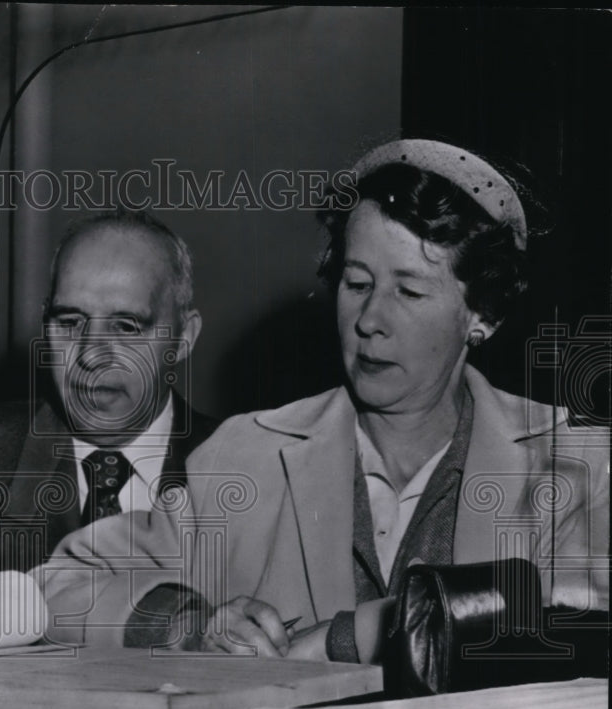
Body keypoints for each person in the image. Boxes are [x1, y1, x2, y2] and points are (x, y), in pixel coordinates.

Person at [34, 139, 610, 659]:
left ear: (482, 315)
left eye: (408, 290)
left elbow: (573, 621)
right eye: (356, 284)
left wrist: (347, 635)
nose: (370, 320)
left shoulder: (575, 461)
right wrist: (189, 624)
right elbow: (62, 584)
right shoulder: (249, 454)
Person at [0, 209, 218, 577]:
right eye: (69, 322)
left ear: (184, 337)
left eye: (126, 326)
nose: (91, 356)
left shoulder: (254, 469)